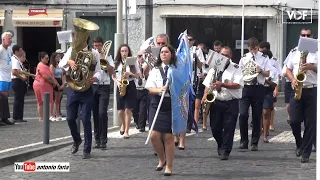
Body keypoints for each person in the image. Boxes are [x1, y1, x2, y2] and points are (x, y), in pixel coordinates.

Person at [59, 20, 102, 159]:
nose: (76, 39)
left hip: (87, 89)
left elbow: (99, 72)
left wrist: (94, 78)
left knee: (85, 119)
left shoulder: (94, 54)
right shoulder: (71, 51)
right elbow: (61, 64)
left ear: (86, 39)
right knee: (70, 118)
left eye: (79, 37)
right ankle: (77, 140)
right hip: (72, 88)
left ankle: (87, 149)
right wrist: (69, 62)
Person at [202, 46, 243, 160]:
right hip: (216, 102)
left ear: (230, 57)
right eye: (222, 55)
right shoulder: (214, 67)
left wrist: (223, 84)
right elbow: (207, 84)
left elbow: (238, 84)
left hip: (231, 102)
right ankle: (220, 144)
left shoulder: (236, 68)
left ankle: (226, 150)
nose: (224, 57)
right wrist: (205, 96)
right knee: (215, 128)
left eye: (226, 55)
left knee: (229, 128)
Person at [285, 28, 317, 163]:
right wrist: (292, 79)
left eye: (308, 35)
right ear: (299, 36)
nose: (305, 37)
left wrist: (311, 67)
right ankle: (299, 143)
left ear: (312, 36)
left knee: (311, 123)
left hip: (312, 89)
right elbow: (287, 69)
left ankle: (306, 153)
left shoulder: (317, 50)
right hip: (297, 88)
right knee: (294, 121)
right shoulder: (294, 51)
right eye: (303, 35)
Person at [145, 45, 177, 176]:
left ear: (171, 54)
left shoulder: (176, 70)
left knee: (168, 137)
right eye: (162, 52)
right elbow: (150, 88)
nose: (163, 54)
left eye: (166, 52)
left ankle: (169, 166)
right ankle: (162, 159)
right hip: (157, 103)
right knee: (154, 136)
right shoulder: (155, 71)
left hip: (171, 104)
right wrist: (160, 90)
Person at [238, 37, 272, 151]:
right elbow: (239, 73)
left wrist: (261, 71)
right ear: (248, 48)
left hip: (258, 88)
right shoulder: (244, 58)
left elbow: (267, 73)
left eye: (255, 48)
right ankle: (243, 141)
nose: (253, 51)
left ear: (258, 47)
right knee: (243, 114)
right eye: (251, 48)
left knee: (257, 115)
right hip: (246, 87)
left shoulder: (264, 58)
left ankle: (254, 142)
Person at [112, 44, 141, 139]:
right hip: (120, 85)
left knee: (128, 110)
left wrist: (131, 74)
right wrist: (117, 82)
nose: (124, 53)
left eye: (126, 51)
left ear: (129, 52)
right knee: (120, 111)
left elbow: (139, 75)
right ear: (119, 52)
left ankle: (127, 131)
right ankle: (123, 124)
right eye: (122, 51)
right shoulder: (116, 62)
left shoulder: (133, 62)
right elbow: (113, 76)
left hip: (130, 85)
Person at [92, 36, 115, 149]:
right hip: (93, 86)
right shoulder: (91, 55)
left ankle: (103, 140)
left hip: (104, 86)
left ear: (102, 46)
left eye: (99, 45)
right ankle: (97, 139)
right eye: (95, 45)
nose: (97, 47)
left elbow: (112, 71)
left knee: (102, 113)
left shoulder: (108, 56)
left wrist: (103, 59)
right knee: (95, 113)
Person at [259, 41, 281, 131]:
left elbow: (278, 74)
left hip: (270, 86)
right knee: (261, 108)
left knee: (271, 107)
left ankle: (270, 124)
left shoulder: (273, 60)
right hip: (260, 86)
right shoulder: (259, 59)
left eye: (262, 50)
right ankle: (261, 125)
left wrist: (276, 89)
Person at [33, 52, 59, 121]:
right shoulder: (42, 66)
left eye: (48, 58)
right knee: (48, 100)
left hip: (38, 83)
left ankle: (41, 117)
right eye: (46, 58)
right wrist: (54, 82)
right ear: (41, 59)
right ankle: (49, 116)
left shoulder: (41, 65)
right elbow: (46, 77)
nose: (48, 60)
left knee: (40, 101)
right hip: (43, 84)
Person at [132, 52, 149, 132]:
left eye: (143, 56)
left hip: (144, 89)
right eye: (139, 56)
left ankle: (142, 126)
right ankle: (137, 122)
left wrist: (147, 67)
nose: (142, 58)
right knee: (134, 109)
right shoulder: (134, 66)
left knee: (143, 109)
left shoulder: (148, 65)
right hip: (135, 89)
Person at [0, 32, 15, 126]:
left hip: (8, 76)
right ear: (3, 40)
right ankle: (2, 117)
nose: (10, 40)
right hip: (2, 77)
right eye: (8, 39)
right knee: (2, 98)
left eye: (10, 38)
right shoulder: (0, 49)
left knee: (6, 99)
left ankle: (5, 117)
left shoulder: (9, 49)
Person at [11, 45, 28, 123]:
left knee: (20, 99)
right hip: (17, 80)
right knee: (18, 99)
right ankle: (16, 117)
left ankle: (19, 116)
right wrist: (22, 77)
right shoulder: (14, 60)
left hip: (19, 81)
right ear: (16, 52)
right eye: (20, 51)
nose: (22, 52)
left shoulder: (17, 60)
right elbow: (14, 72)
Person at [49, 53, 65, 121]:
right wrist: (57, 84)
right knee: (55, 100)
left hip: (60, 81)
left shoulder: (59, 65)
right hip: (56, 82)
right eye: (57, 57)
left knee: (58, 100)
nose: (59, 58)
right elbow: (52, 76)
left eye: (59, 56)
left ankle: (58, 114)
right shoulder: (52, 66)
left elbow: (62, 75)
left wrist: (63, 84)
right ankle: (56, 114)